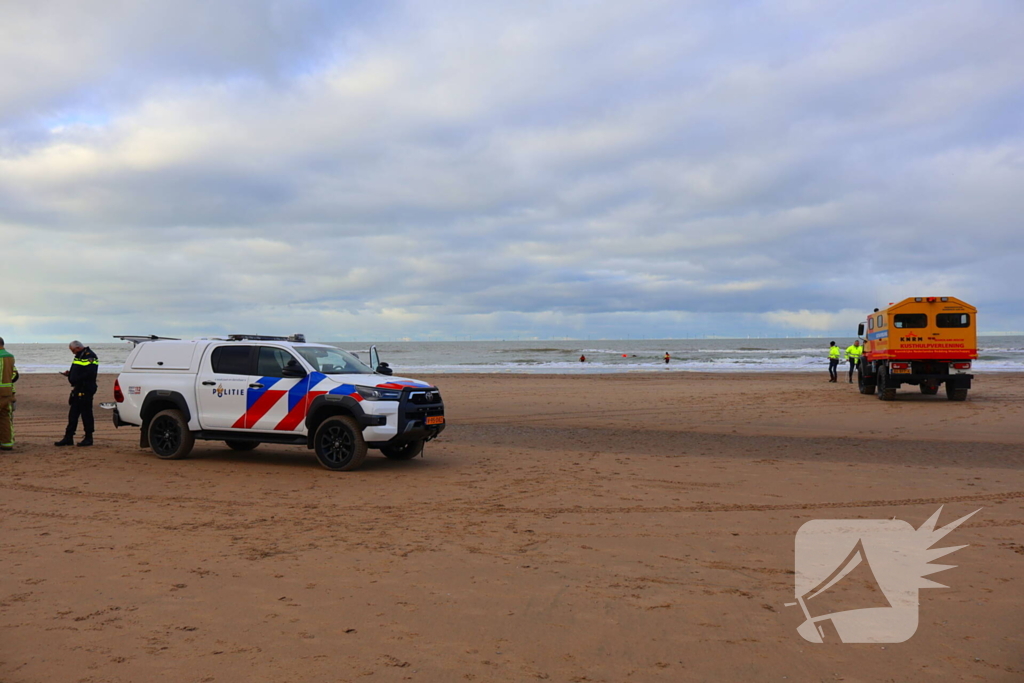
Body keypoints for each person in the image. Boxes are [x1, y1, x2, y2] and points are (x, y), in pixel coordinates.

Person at [55, 341, 99, 447]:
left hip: (86, 389)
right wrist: (71, 374)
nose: (73, 353)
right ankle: (68, 437)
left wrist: (76, 378)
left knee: (86, 414)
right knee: (73, 414)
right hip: (77, 388)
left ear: (78, 347)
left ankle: (89, 437)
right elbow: (79, 369)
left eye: (73, 350)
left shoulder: (90, 356)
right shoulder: (80, 355)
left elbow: (90, 373)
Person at [0, 337, 16, 451]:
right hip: (7, 392)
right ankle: (7, 443)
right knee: (5, 418)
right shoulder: (10, 357)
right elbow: (15, 375)